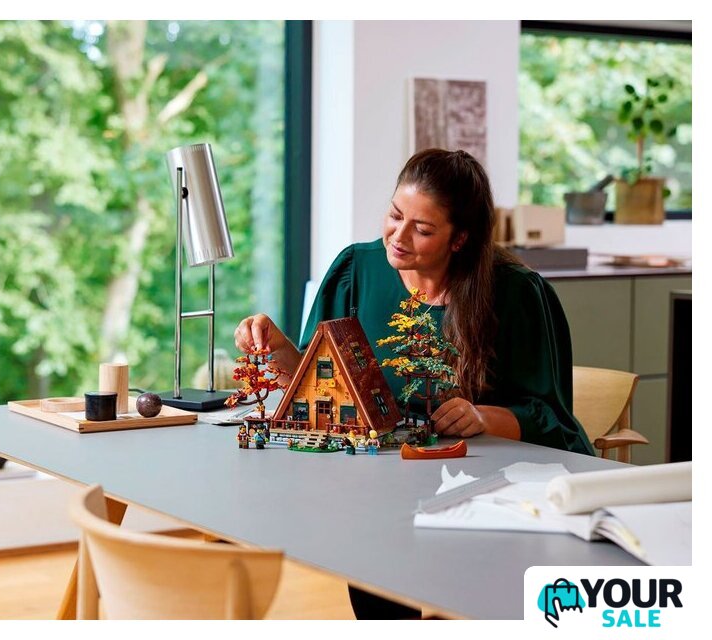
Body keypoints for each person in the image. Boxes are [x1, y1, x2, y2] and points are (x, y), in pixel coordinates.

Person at [233, 148, 593, 617]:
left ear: (459, 239)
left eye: (422, 229)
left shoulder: (516, 293)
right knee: (380, 595)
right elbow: (322, 378)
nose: (398, 237)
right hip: (379, 492)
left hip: (487, 491)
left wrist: (482, 417)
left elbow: (550, 420)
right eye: (394, 215)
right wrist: (278, 347)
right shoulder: (356, 270)